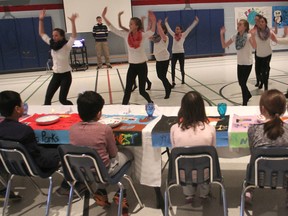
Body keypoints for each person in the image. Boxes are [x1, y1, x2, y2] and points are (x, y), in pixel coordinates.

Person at [69, 91, 133, 215]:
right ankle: (122, 193)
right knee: (129, 154)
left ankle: (101, 192)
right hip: (104, 171)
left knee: (95, 163)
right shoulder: (105, 129)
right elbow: (114, 154)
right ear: (99, 113)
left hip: (82, 171)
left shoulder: (72, 129)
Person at [0, 90, 61, 200]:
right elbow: (40, 160)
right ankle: (69, 186)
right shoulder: (25, 131)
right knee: (64, 149)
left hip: (9, 167)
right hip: (33, 168)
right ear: (17, 109)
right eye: (22, 103)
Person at [102, 8, 155, 105]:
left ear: (137, 26)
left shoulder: (142, 35)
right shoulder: (126, 35)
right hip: (132, 67)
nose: (129, 25)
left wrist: (153, 20)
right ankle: (123, 107)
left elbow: (152, 31)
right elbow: (113, 28)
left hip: (142, 66)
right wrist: (104, 17)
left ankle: (151, 103)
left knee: (142, 91)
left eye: (131, 24)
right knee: (127, 90)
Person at [170, 91, 216, 202]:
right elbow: (213, 152)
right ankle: (204, 193)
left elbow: (174, 151)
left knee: (184, 162)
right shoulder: (210, 129)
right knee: (205, 163)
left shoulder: (174, 129)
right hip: (205, 173)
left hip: (183, 174)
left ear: (183, 108)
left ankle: (188, 193)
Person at [247, 89, 288, 205]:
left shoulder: (253, 129)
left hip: (258, 176)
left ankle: (249, 190)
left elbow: (253, 153)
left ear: (263, 109)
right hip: (285, 177)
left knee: (252, 163)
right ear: (284, 110)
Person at [39, 10, 78, 105]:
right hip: (56, 75)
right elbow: (42, 34)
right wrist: (41, 20)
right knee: (47, 98)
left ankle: (74, 111)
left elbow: (73, 36)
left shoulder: (66, 45)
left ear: (61, 36)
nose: (54, 37)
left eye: (56, 35)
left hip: (66, 76)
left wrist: (73, 22)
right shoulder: (52, 44)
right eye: (53, 35)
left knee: (62, 100)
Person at [220, 19, 256, 105]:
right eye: (238, 24)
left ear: (245, 27)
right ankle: (248, 94)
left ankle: (244, 103)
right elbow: (224, 45)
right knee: (241, 83)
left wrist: (253, 36)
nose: (238, 26)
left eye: (240, 24)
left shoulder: (248, 36)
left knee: (243, 83)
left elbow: (255, 46)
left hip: (248, 63)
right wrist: (221, 34)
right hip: (240, 63)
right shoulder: (235, 36)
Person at [165, 16, 199, 87]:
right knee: (172, 68)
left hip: (181, 53)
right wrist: (166, 22)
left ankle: (183, 79)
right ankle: (173, 82)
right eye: (176, 29)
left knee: (181, 68)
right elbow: (169, 29)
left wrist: (195, 21)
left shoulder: (183, 35)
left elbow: (189, 29)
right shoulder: (173, 35)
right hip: (174, 54)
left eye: (177, 29)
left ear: (180, 30)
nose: (176, 30)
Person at [251, 16, 277, 91]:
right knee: (258, 72)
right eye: (260, 22)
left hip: (267, 54)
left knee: (265, 72)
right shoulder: (255, 32)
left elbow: (276, 40)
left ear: (265, 23)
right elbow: (254, 46)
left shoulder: (269, 32)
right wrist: (252, 37)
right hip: (259, 55)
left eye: (263, 22)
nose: (261, 23)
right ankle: (261, 82)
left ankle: (266, 87)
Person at [150, 20, 172, 99]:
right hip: (158, 60)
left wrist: (158, 25)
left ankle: (168, 90)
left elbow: (162, 34)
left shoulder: (165, 37)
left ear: (164, 30)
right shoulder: (156, 38)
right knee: (160, 76)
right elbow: (149, 37)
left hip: (164, 59)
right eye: (157, 29)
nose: (157, 30)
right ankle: (168, 85)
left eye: (159, 29)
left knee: (162, 76)